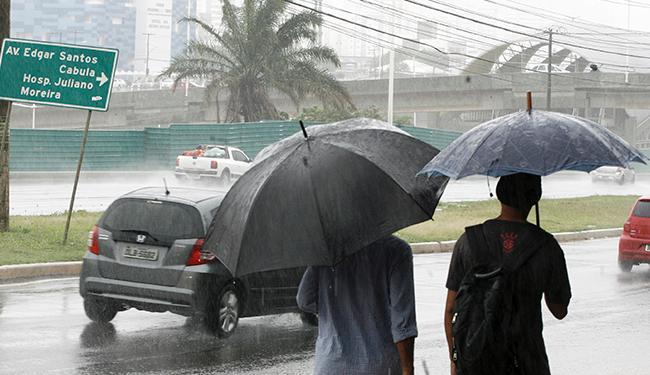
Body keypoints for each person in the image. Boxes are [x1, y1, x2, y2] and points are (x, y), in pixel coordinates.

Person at [444, 173, 572, 375]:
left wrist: (455, 360)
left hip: (475, 362)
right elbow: (559, 310)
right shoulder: (546, 246)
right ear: (535, 197)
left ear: (500, 193)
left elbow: (451, 309)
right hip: (527, 362)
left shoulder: (468, 241)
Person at [297, 235, 417, 375]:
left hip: (330, 363)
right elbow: (402, 321)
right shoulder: (396, 250)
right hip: (379, 365)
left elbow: (304, 300)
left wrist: (334, 308)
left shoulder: (327, 253)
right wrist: (408, 369)